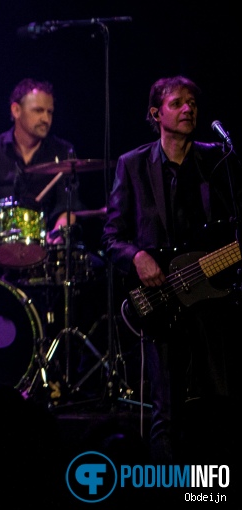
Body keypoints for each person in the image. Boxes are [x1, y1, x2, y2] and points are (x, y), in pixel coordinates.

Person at [101, 75, 241, 465]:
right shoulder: (133, 165)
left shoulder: (216, 158)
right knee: (167, 409)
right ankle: (166, 489)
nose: (188, 108)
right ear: (155, 113)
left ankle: (213, 488)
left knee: (219, 401)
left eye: (193, 102)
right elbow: (111, 236)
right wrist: (136, 257)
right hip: (163, 303)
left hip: (212, 297)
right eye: (177, 102)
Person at [0, 77, 83, 257]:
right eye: (38, 111)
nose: (46, 118)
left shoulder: (63, 152)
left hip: (46, 251)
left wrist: (57, 235)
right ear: (16, 110)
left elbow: (68, 210)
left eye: (50, 112)